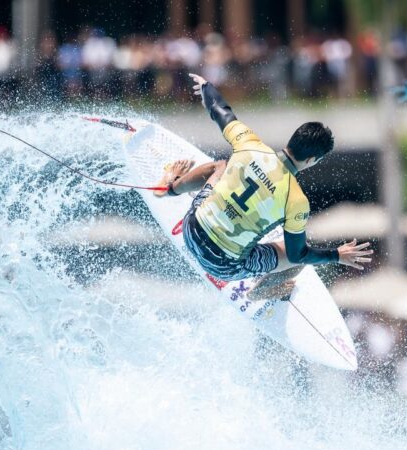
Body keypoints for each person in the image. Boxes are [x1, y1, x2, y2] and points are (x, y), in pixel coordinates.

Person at [154, 73, 373, 299]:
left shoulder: (250, 144)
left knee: (219, 166)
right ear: (312, 160)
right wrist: (336, 255)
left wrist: (207, 87)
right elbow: (298, 255)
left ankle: (169, 188)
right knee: (298, 254)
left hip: (190, 229)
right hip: (223, 266)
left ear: (292, 140)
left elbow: (221, 112)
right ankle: (259, 291)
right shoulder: (296, 200)